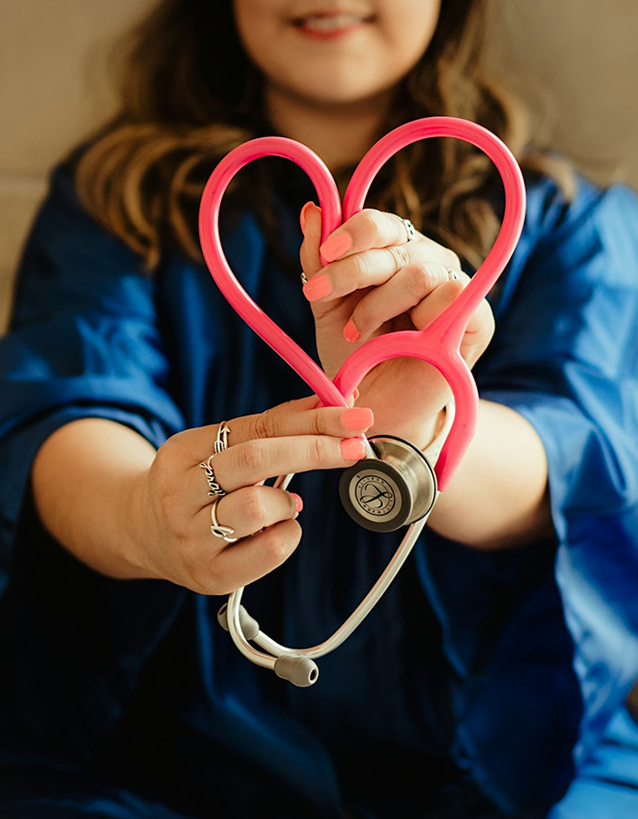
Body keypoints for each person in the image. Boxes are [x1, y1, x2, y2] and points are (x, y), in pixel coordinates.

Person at [1, 0, 638, 816]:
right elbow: (62, 411)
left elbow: (575, 456)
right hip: (157, 756)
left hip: (508, 760)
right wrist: (144, 517)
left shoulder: (566, 221)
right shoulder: (111, 202)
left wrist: (419, 430)